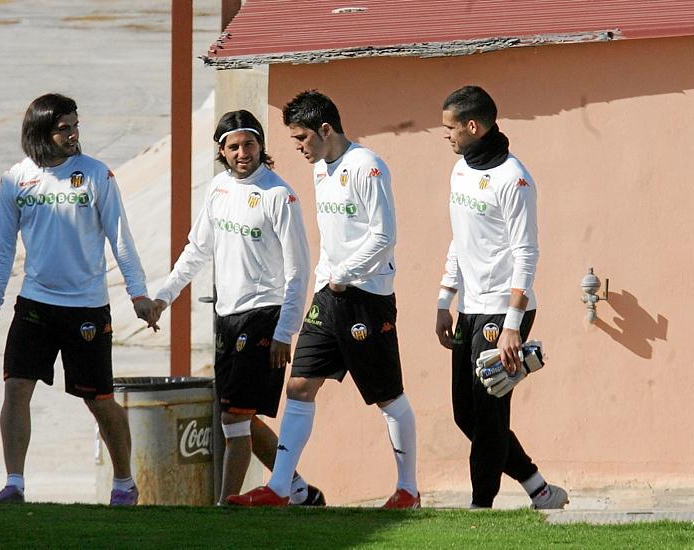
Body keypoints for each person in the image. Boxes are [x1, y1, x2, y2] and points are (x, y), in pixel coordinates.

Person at [228, 90, 420, 509]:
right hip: (328, 296)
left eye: (302, 137)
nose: (298, 147)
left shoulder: (367, 166)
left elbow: (384, 236)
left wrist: (343, 276)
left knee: (388, 396)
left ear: (326, 129)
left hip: (366, 298)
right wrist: (326, 282)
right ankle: (281, 487)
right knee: (299, 386)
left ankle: (408, 489)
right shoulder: (319, 170)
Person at [0, 93, 157, 506]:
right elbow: (2, 247)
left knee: (98, 400)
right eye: (63, 128)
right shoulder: (15, 179)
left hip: (87, 308)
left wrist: (138, 294)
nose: (73, 134)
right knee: (17, 388)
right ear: (40, 133)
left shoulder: (96, 174)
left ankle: (124, 483)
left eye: (75, 126)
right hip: (34, 304)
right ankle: (14, 483)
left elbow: (121, 238)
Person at [152, 110, 324, 506]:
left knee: (233, 417)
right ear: (222, 151)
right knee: (238, 413)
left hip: (264, 314)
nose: (242, 152)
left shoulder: (279, 195)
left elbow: (299, 270)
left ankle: (225, 505)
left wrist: (285, 331)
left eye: (249, 144)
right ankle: (299, 491)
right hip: (226, 317)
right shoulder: (218, 189)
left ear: (261, 146)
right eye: (234, 147)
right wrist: (164, 296)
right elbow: (197, 249)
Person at [435, 85, 568, 509]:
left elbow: (526, 253)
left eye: (451, 128)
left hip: (503, 311)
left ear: (473, 126)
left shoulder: (514, 179)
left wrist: (512, 325)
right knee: (465, 414)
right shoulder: (460, 170)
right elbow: (459, 238)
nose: (446, 135)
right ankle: (538, 488)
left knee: (489, 410)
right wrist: (444, 298)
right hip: (469, 308)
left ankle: (481, 506)